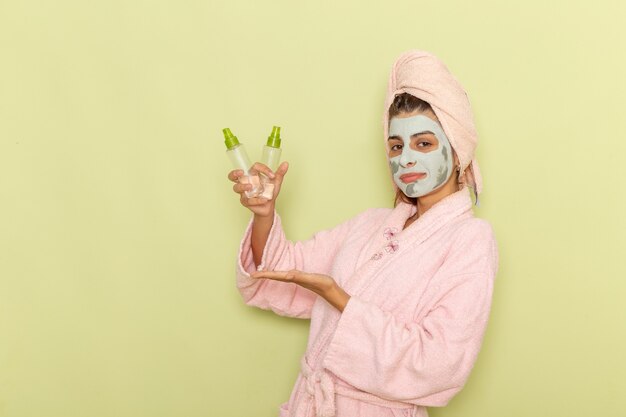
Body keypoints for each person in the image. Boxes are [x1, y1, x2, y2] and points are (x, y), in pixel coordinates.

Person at [227, 50, 499, 417]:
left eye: (424, 144)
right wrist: (264, 214)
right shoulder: (371, 225)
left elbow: (440, 364)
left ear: (458, 149)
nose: (406, 159)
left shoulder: (471, 242)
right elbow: (278, 271)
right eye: (396, 146)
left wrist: (338, 297)